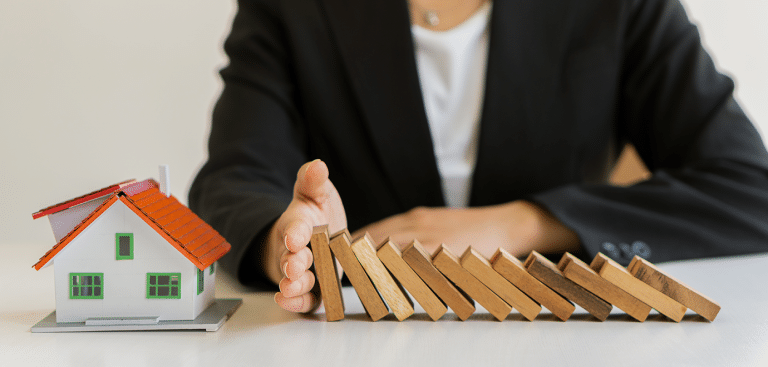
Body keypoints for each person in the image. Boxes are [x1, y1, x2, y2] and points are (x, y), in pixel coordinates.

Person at [189, 0, 768, 314]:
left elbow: (750, 187)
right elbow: (234, 178)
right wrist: (289, 247)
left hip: (561, 339)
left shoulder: (621, 7)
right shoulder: (291, 10)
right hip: (361, 341)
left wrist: (523, 224)